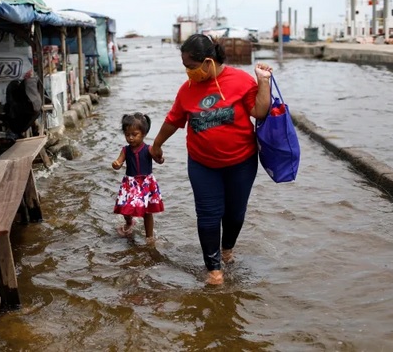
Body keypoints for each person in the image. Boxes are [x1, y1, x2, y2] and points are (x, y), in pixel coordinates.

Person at [149, 34, 273, 285]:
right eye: (184, 66)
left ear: (208, 62)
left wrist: (263, 83)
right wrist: (157, 145)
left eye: (191, 67)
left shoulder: (240, 80)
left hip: (241, 162)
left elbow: (260, 111)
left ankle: (227, 248)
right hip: (202, 164)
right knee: (207, 214)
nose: (187, 72)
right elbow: (173, 120)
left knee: (235, 214)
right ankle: (214, 269)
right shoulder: (187, 90)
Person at [112, 112, 165, 243]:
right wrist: (116, 164)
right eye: (127, 135)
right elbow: (119, 162)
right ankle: (129, 222)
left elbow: (159, 160)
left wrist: (160, 158)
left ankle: (149, 236)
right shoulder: (125, 150)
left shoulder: (149, 149)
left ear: (144, 134)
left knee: (147, 212)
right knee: (125, 209)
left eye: (134, 135)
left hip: (146, 184)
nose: (130, 138)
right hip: (130, 184)